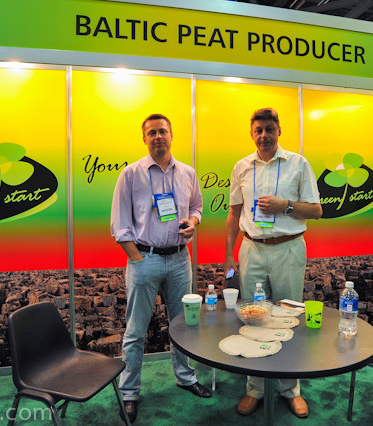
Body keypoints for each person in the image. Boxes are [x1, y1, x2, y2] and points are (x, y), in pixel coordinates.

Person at [111, 113, 212, 423]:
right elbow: (119, 224)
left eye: (163, 131)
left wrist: (193, 222)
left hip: (180, 258)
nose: (158, 136)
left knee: (183, 325)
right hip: (145, 258)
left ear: (171, 135)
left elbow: (196, 206)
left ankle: (185, 378)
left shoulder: (188, 173)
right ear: (144, 138)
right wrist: (138, 259)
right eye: (152, 132)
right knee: (135, 331)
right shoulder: (131, 174)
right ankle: (130, 392)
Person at [224, 107, 322, 419]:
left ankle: (290, 389)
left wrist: (286, 205)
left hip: (288, 248)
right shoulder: (241, 166)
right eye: (258, 130)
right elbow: (234, 213)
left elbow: (317, 210)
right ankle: (254, 387)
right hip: (252, 248)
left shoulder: (298, 163)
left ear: (279, 131)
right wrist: (229, 254)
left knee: (287, 317)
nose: (264, 135)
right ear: (251, 134)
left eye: (269, 129)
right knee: (253, 318)